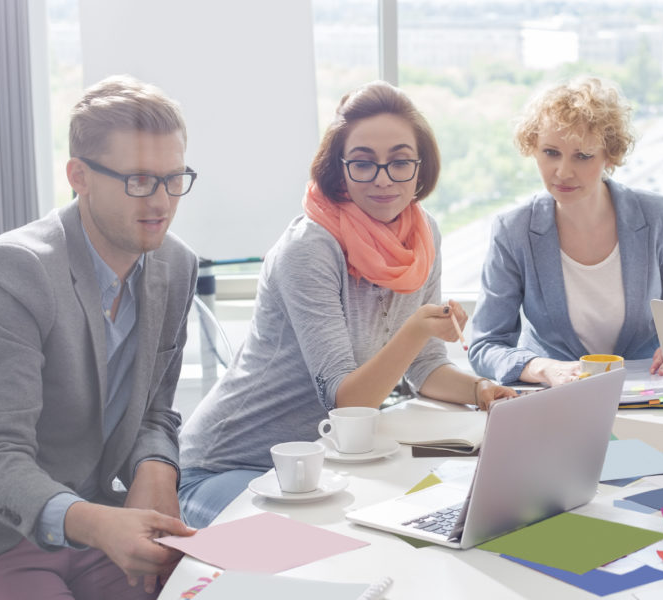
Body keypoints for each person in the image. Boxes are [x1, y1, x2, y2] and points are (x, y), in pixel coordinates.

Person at [177, 81, 517, 529]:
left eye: (399, 162)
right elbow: (345, 402)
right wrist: (414, 330)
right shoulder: (310, 248)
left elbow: (425, 367)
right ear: (339, 170)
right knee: (314, 546)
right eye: (363, 163)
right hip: (227, 467)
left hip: (322, 468)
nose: (382, 178)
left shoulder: (421, 236)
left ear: (420, 169)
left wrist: (479, 390)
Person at [0, 76, 200, 598]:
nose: (162, 201)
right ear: (80, 176)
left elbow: (155, 411)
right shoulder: (8, 272)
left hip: (101, 521)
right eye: (140, 179)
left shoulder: (175, 265)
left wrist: (157, 465)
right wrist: (96, 524)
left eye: (174, 178)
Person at [468, 76, 663, 386]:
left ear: (610, 155)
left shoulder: (659, 216)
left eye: (582, 156)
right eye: (551, 153)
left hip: (649, 396)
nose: (564, 172)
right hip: (555, 399)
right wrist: (541, 368)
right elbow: (486, 345)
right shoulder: (513, 230)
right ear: (533, 149)